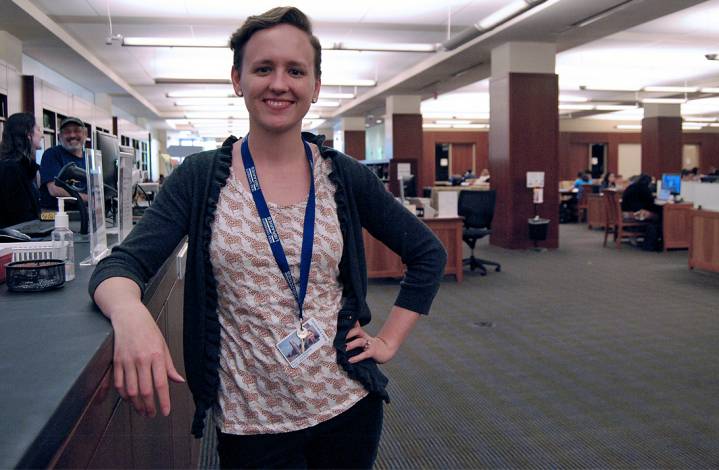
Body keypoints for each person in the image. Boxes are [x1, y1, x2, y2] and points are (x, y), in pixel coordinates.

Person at [88, 6, 446, 469]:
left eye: (295, 71)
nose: (280, 83)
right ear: (238, 79)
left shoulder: (343, 176)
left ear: (315, 87)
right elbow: (119, 266)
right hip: (251, 424)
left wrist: (388, 342)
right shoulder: (200, 178)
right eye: (263, 68)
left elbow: (427, 254)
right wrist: (131, 314)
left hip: (347, 406)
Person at [0, 113, 43, 228]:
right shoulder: (11, 169)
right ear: (28, 134)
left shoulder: (25, 168)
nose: (41, 135)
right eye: (38, 130)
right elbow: (19, 216)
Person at [39, 116, 88, 209]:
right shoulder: (52, 154)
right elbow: (55, 190)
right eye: (67, 132)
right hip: (56, 217)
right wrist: (89, 199)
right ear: (59, 137)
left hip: (85, 213)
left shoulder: (90, 158)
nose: (72, 135)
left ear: (85, 134)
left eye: (77, 131)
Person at [621, 173, 662, 250]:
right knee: (658, 215)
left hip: (625, 212)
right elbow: (650, 202)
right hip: (635, 213)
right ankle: (658, 237)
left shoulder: (631, 187)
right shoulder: (644, 189)